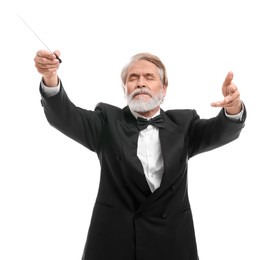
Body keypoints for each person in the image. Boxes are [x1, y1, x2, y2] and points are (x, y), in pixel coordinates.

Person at [34, 50, 246, 260]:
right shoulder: (107, 122)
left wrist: (234, 108)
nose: (140, 83)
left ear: (164, 89)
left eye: (149, 77)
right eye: (132, 78)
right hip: (114, 244)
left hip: (172, 244)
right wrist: (50, 78)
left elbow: (220, 131)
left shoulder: (184, 124)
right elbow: (64, 116)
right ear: (125, 89)